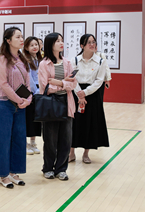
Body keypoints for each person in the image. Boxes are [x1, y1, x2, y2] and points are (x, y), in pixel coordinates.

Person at [0, 27, 32, 188]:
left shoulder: (23, 59)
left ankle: (14, 171)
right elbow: (3, 84)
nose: (21, 39)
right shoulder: (2, 59)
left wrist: (28, 99)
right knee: (3, 139)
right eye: (18, 37)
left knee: (19, 139)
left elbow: (28, 83)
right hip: (5, 104)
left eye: (22, 36)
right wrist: (18, 99)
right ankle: (3, 174)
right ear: (8, 40)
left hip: (21, 104)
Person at [38, 33, 77, 180]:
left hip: (67, 103)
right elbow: (45, 87)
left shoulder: (67, 62)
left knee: (66, 139)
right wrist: (63, 84)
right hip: (51, 104)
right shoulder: (44, 64)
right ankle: (48, 168)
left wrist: (59, 82)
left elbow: (73, 84)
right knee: (50, 139)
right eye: (57, 41)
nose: (61, 43)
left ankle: (61, 169)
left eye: (62, 40)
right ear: (50, 44)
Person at [70, 34, 109, 164]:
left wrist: (85, 93)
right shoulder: (75, 60)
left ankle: (86, 153)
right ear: (82, 45)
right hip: (76, 93)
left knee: (90, 124)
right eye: (89, 42)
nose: (92, 45)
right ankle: (71, 152)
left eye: (94, 42)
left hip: (92, 94)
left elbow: (99, 81)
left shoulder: (101, 61)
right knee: (74, 123)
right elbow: (72, 79)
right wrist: (79, 94)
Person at [22, 36, 42, 155]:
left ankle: (33, 143)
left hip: (39, 93)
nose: (35, 47)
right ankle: (25, 144)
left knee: (36, 119)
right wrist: (36, 91)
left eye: (36, 44)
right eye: (32, 45)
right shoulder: (26, 61)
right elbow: (29, 79)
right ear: (26, 48)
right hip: (30, 93)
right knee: (27, 119)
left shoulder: (40, 60)